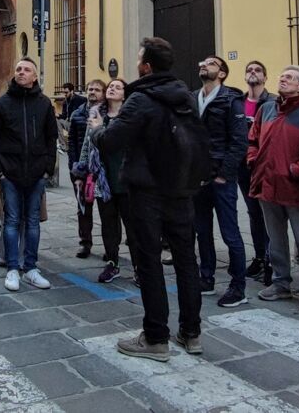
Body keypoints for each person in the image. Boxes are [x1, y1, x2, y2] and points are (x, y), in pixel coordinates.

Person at [93, 37, 206, 361]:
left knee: (150, 262)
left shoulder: (140, 98)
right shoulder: (185, 96)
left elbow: (112, 142)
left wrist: (99, 128)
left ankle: (156, 337)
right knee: (186, 260)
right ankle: (191, 332)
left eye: (139, 58)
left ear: (146, 66)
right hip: (181, 189)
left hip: (147, 191)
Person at [247, 65, 299, 314]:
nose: (283, 79)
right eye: (282, 76)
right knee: (276, 238)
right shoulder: (267, 109)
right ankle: (281, 283)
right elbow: (253, 139)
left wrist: (295, 170)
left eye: (289, 77)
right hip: (266, 184)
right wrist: (253, 160)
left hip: (295, 188)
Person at [0, 57, 58, 292]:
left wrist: (47, 169)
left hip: (36, 174)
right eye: (18, 69)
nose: (21, 72)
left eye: (27, 70)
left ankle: (31, 269)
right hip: (10, 175)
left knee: (33, 222)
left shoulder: (44, 104)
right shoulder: (2, 104)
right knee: (12, 222)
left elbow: (51, 138)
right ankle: (12, 269)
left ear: (35, 76)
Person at [190, 55, 249, 308]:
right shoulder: (193, 98)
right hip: (198, 175)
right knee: (202, 230)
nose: (204, 65)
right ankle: (207, 278)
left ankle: (238, 287)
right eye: (202, 63)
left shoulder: (231, 99)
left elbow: (239, 141)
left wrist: (225, 172)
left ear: (222, 73)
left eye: (211, 64)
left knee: (230, 233)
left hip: (222, 176)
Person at [81, 78, 138, 284]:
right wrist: (82, 171)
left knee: (132, 226)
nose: (112, 88)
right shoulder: (96, 114)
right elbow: (88, 144)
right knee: (108, 224)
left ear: (125, 94)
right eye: (111, 86)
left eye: (118, 87)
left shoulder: (130, 116)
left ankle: (138, 267)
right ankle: (112, 263)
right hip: (103, 179)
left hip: (126, 178)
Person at [238, 61, 275, 285]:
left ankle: (272, 261)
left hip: (265, 167)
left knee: (269, 215)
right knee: (253, 213)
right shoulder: (238, 103)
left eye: (258, 70)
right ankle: (259, 257)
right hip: (243, 168)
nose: (253, 72)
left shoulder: (272, 103)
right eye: (249, 70)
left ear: (265, 77)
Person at [68, 79, 106, 259]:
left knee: (108, 210)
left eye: (97, 90)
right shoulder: (77, 114)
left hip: (103, 169)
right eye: (90, 89)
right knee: (83, 208)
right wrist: (74, 170)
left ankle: (110, 246)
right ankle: (85, 243)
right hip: (83, 169)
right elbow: (73, 145)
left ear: (103, 93)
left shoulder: (108, 115)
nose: (92, 92)